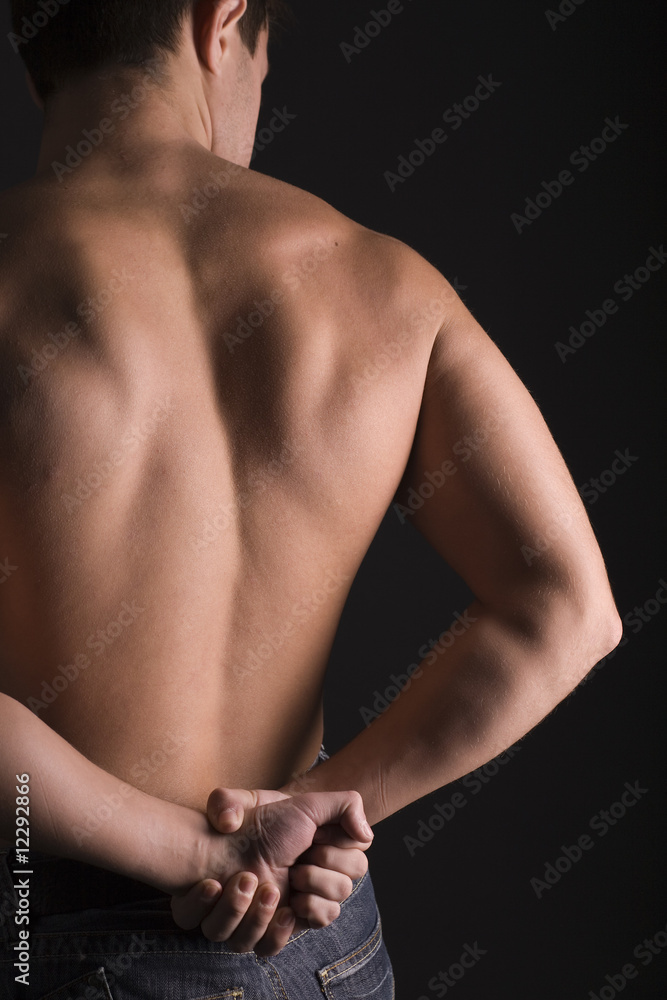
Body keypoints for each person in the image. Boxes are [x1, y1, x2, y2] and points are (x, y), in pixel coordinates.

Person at [0, 0, 623, 995]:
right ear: (220, 22)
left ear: (36, 62)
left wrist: (196, 853)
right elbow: (568, 607)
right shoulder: (389, 284)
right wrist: (305, 815)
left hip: (50, 937)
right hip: (318, 946)